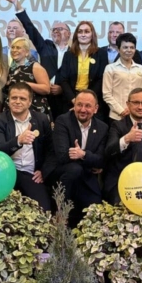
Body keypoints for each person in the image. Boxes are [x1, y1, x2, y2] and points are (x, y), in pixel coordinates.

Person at [43, 90, 108, 225]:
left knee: (96, 210)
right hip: (60, 171)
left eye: (88, 106)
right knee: (74, 169)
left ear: (95, 109)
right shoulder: (63, 121)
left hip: (86, 174)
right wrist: (90, 160)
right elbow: (62, 156)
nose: (83, 109)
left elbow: (102, 160)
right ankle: (60, 213)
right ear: (74, 105)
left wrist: (83, 154)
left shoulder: (102, 127)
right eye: (79, 105)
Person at [2, 0, 70, 118]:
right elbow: (30, 28)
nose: (56, 31)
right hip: (42, 98)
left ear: (69, 34)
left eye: (60, 29)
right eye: (54, 29)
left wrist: (63, 88)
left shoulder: (74, 52)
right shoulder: (45, 47)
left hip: (65, 98)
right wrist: (17, 5)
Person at [0, 82, 53, 211]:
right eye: (14, 98)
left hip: (32, 174)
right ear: (8, 100)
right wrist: (18, 140)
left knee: (44, 210)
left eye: (22, 98)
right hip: (6, 173)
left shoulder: (41, 120)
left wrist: (43, 171)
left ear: (30, 102)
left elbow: (51, 150)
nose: (17, 102)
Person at [104, 88, 142, 204]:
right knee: (121, 208)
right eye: (136, 102)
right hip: (123, 175)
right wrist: (126, 139)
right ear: (128, 104)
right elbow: (109, 151)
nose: (140, 107)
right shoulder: (117, 125)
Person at [58, 21, 108, 120]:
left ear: (92, 34)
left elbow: (101, 79)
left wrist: (87, 99)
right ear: (76, 35)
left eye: (87, 31)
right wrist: (75, 101)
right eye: (80, 31)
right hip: (71, 100)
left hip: (92, 101)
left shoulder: (101, 53)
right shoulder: (68, 54)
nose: (83, 34)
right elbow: (63, 80)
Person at [4, 37, 52, 123]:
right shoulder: (11, 68)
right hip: (14, 110)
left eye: (18, 47)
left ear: (26, 52)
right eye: (13, 47)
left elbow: (46, 89)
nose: (14, 50)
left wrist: (25, 84)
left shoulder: (35, 66)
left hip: (34, 110)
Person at [102, 33, 142, 122]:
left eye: (132, 47)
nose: (129, 50)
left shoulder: (141, 69)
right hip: (116, 116)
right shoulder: (110, 68)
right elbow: (107, 94)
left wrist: (135, 110)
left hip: (137, 115)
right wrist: (121, 111)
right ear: (118, 49)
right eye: (125, 47)